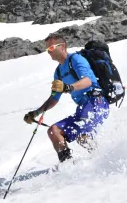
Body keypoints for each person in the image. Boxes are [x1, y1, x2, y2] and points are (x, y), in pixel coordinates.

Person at [23, 34, 110, 163]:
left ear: (62, 46)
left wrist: (68, 87)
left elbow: (88, 81)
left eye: (51, 47)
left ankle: (104, 159)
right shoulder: (58, 72)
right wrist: (35, 113)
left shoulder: (76, 59)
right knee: (54, 131)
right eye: (47, 49)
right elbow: (54, 98)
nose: (49, 51)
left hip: (96, 101)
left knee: (83, 135)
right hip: (82, 107)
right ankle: (68, 166)